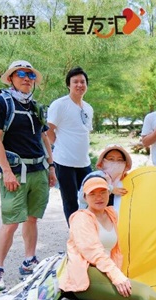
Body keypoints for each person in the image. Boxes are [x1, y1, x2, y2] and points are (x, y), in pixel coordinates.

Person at [0, 60, 56, 292]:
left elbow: (44, 137)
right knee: (11, 222)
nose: (27, 78)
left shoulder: (34, 106)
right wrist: (7, 171)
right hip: (16, 172)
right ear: (11, 78)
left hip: (39, 170)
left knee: (32, 218)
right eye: (21, 74)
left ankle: (29, 261)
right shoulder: (0, 102)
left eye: (30, 75)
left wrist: (51, 166)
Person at [46, 66, 94, 225]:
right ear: (69, 85)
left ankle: (88, 230)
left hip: (84, 162)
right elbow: (48, 130)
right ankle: (74, 233)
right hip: (64, 161)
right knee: (70, 201)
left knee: (90, 196)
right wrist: (58, 144)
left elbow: (83, 132)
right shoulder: (60, 105)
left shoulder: (88, 108)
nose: (79, 85)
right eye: (75, 82)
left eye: (83, 82)